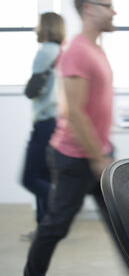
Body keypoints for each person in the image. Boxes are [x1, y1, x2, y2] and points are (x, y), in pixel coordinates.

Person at [24, 0, 119, 276]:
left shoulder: (95, 50)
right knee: (55, 225)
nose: (113, 12)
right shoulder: (77, 51)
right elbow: (73, 112)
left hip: (97, 152)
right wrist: (96, 158)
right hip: (77, 157)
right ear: (89, 9)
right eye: (107, 6)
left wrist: (103, 152)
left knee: (123, 224)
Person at [21, 12, 65, 241]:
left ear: (45, 27)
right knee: (44, 177)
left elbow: (31, 91)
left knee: (29, 178)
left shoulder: (45, 52)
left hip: (45, 123)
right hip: (57, 122)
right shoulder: (61, 53)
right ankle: (45, 230)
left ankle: (60, 211)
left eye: (38, 25)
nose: (35, 29)